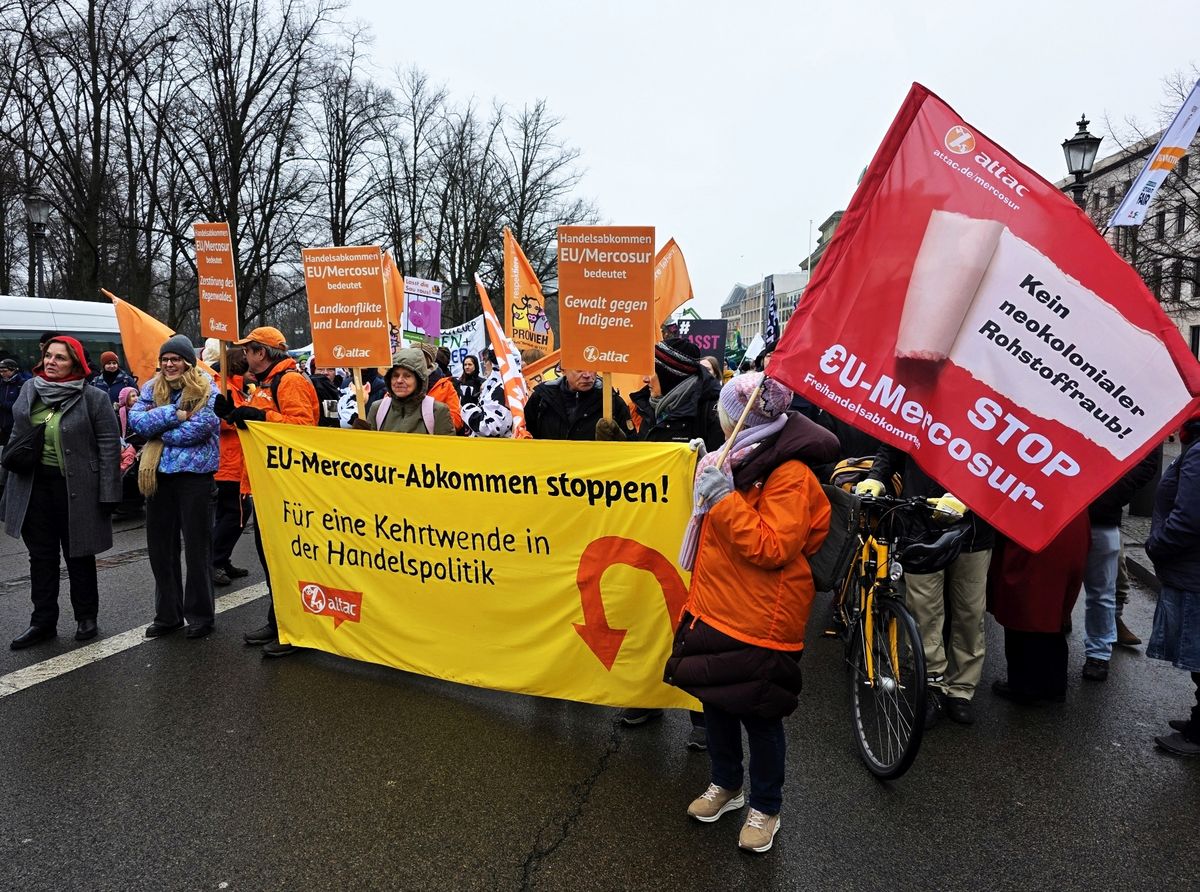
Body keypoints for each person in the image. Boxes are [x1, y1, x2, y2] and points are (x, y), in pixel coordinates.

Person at [665, 372, 836, 853]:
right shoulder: (735, 459)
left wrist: (722, 497)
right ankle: (726, 784)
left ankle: (766, 806)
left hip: (763, 616)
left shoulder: (790, 474)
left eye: (723, 412)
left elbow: (772, 546)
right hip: (717, 608)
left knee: (760, 717)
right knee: (716, 702)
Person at [621, 338, 725, 743]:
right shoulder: (654, 404)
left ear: (670, 373)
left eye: (652, 370)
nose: (646, 377)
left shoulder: (709, 407)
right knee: (648, 612)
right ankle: (648, 695)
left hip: (696, 533)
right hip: (656, 528)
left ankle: (702, 716)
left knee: (696, 623)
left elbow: (724, 464)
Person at [856, 450, 992, 727]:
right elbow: (891, 444)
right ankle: (932, 686)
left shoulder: (995, 409)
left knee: (970, 613)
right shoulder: (921, 405)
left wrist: (971, 494)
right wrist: (875, 477)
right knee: (924, 611)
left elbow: (1004, 463)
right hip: (918, 521)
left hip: (974, 530)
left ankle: (961, 690)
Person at [3, 337, 121, 648]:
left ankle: (86, 616)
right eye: (49, 356)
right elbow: (17, 435)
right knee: (40, 558)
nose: (52, 362)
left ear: (76, 364)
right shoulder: (30, 390)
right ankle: (42, 622)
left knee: (79, 554)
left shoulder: (92, 397)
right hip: (32, 487)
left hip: (77, 488)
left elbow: (109, 445)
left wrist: (109, 492)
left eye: (61, 358)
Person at [213, 327, 319, 658]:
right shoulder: (266, 383)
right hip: (266, 484)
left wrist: (259, 415)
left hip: (286, 488)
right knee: (271, 560)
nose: (243, 356)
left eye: (248, 350)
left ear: (262, 353)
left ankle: (296, 632)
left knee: (284, 563)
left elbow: (302, 428)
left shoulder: (290, 381)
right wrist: (231, 414)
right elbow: (257, 425)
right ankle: (279, 622)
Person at [128, 335, 220, 639]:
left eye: (175, 359)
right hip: (158, 477)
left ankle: (200, 616)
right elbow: (137, 422)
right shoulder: (151, 388)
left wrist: (158, 432)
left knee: (197, 550)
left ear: (188, 362)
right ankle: (167, 615)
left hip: (194, 478)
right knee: (160, 550)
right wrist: (174, 414)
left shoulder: (207, 388)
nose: (169, 364)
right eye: (165, 359)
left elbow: (199, 429)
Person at [987, 512, 1090, 705]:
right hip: (1068, 534)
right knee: (1053, 613)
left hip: (1033, 540)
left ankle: (1026, 687)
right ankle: (1053, 685)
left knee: (1024, 613)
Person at [1081, 445, 1161, 682]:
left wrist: (1110, 496)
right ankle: (1046, 646)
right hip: (1063, 513)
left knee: (1102, 591)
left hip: (1101, 516)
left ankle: (1098, 654)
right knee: (1050, 586)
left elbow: (1147, 461)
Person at [1146, 414, 1200, 756]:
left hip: (1193, 572)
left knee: (1199, 657)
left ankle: (1199, 734)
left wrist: (1156, 545)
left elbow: (1190, 517)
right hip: (1191, 570)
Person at [211, 347, 252, 587]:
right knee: (237, 513)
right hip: (228, 462)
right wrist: (240, 418)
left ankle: (221, 558)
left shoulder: (234, 386)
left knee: (229, 513)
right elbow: (221, 422)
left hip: (234, 461)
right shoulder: (222, 386)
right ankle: (214, 561)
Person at [354, 348, 454, 435]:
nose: (399, 381)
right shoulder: (378, 408)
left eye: (407, 376)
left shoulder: (437, 411)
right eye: (395, 375)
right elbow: (369, 452)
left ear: (419, 380)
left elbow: (446, 452)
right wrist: (360, 438)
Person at [524, 368, 634, 441]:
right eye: (579, 369)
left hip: (595, 474)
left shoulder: (612, 402)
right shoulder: (541, 398)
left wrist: (617, 438)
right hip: (551, 474)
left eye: (592, 368)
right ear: (564, 369)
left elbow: (633, 447)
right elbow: (524, 438)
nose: (587, 375)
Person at [419, 343, 463, 431]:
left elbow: (456, 422)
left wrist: (425, 422)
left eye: (419, 355)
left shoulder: (447, 386)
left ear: (430, 360)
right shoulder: (399, 384)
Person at [1, 358, 33, 448]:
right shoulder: (1, 383)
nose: (2, 374)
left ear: (14, 370)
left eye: (5, 371)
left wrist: (2, 404)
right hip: (2, 425)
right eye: (1, 371)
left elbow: (20, 406)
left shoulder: (22, 384)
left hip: (15, 425)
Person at [308, 363, 343, 427]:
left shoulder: (344, 388)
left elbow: (332, 416)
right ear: (313, 371)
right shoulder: (308, 390)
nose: (325, 373)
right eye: (320, 369)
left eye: (330, 370)